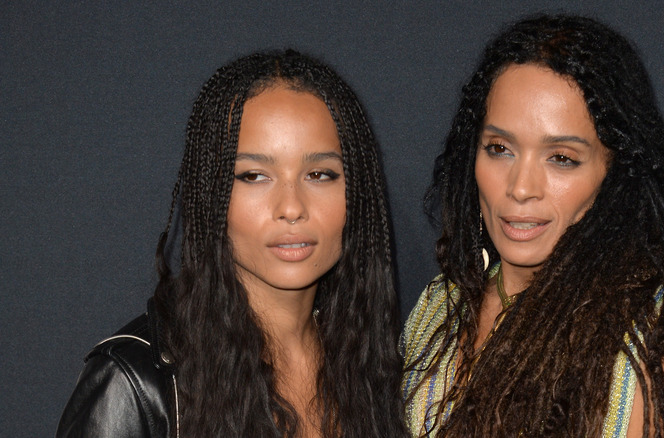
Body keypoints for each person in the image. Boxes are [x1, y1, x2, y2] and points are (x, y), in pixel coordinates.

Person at [402, 14, 664, 437]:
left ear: (614, 173)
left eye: (561, 158)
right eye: (500, 148)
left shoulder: (641, 349)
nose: (521, 187)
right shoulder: (439, 309)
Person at [57, 50, 406, 438]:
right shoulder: (133, 383)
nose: (291, 208)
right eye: (254, 176)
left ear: (357, 193)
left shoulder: (378, 367)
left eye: (320, 174)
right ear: (211, 194)